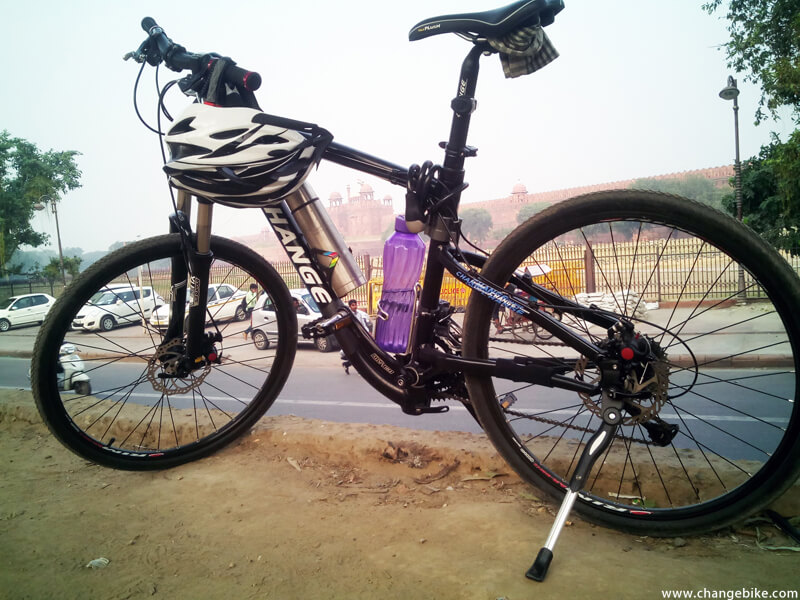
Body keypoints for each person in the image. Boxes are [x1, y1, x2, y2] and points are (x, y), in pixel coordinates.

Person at [341, 299, 371, 374]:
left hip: (360, 336)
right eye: (353, 305)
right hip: (353, 337)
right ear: (350, 306)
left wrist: (367, 333)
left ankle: (347, 364)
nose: (355, 307)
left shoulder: (359, 314)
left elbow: (363, 325)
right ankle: (357, 368)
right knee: (359, 354)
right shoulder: (348, 316)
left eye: (355, 305)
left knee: (362, 354)